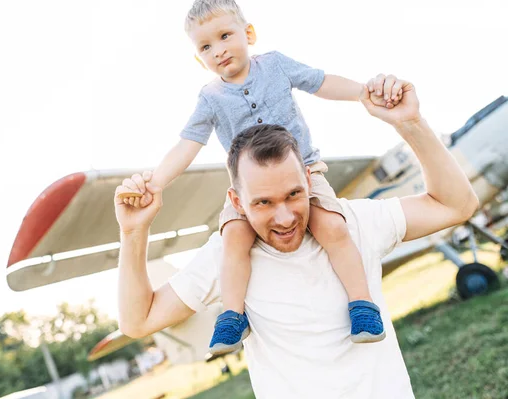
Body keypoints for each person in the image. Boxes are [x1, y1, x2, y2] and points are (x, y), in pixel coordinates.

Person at [114, 77, 479, 398]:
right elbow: (138, 321)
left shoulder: (353, 222)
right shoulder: (226, 255)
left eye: (293, 194)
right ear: (237, 202)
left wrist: (410, 123)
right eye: (264, 203)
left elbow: (455, 205)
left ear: (309, 180)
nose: (285, 217)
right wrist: (133, 232)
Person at [119, 0, 402, 355]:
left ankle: (362, 305)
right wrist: (156, 182)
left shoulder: (275, 65)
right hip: (249, 191)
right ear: (198, 59)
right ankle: (232, 316)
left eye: (225, 36)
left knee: (332, 226)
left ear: (248, 34)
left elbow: (320, 82)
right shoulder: (210, 98)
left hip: (305, 173)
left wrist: (363, 92)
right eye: (206, 46)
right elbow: (188, 143)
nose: (218, 50)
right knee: (233, 238)